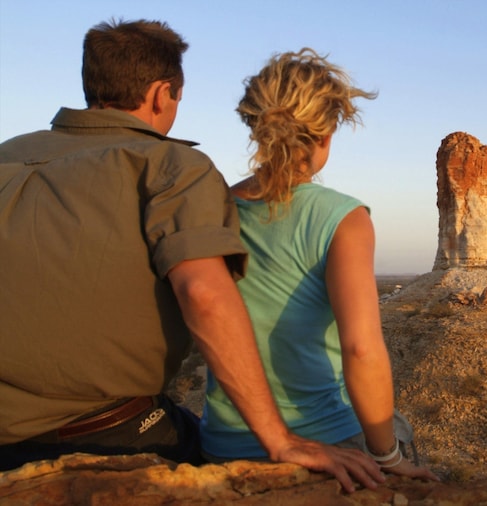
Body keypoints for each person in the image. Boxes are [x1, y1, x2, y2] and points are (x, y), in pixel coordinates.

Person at [0, 19, 384, 492]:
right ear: (163, 95)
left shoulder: (8, 156)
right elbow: (203, 292)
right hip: (107, 429)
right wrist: (280, 440)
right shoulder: (172, 168)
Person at [200, 49, 437, 482]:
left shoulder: (212, 206)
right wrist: (387, 457)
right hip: (326, 441)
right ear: (326, 133)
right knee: (398, 433)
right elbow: (361, 349)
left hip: (224, 442)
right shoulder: (345, 220)